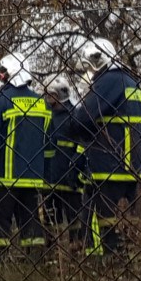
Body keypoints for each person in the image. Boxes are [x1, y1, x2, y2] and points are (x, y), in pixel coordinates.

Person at [68, 38, 141, 259]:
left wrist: (76, 121)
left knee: (102, 219)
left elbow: (83, 117)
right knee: (126, 221)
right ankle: (127, 261)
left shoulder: (109, 81)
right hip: (133, 163)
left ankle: (106, 263)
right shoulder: (130, 81)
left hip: (109, 162)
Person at [0, 53, 50, 264]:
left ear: (4, 75)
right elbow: (49, 144)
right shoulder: (42, 103)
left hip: (4, 178)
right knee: (30, 221)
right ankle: (36, 263)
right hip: (33, 177)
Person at [41, 74, 85, 251]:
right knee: (51, 221)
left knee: (75, 220)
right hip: (49, 178)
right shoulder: (45, 114)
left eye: (49, 94)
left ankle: (77, 251)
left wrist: (76, 168)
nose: (46, 98)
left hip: (70, 178)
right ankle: (52, 256)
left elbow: (82, 145)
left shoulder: (75, 115)